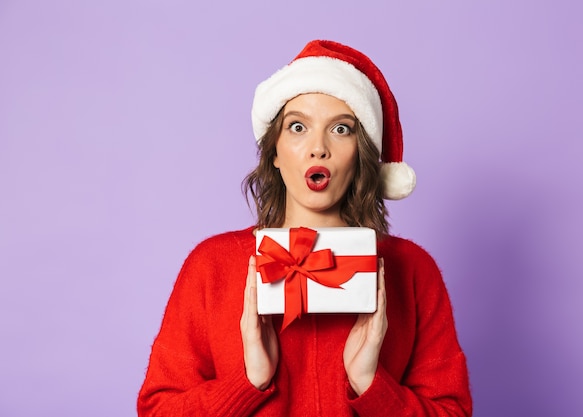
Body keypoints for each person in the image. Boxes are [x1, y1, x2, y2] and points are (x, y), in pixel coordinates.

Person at [137, 40, 472, 416]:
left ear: (361, 152)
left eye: (341, 129)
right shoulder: (211, 266)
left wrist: (371, 384)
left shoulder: (412, 269)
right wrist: (248, 383)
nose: (318, 148)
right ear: (275, 152)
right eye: (298, 127)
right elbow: (158, 410)